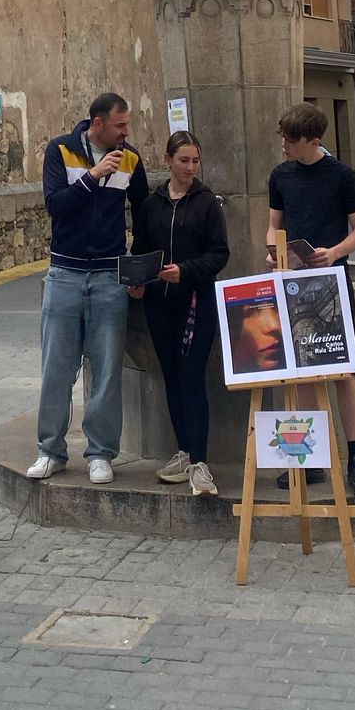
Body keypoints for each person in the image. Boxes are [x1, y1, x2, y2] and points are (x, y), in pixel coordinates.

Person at [28, 91, 147, 486]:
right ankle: (50, 450)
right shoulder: (60, 151)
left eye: (127, 125)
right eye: (120, 125)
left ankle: (100, 453)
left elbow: (143, 215)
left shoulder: (130, 159)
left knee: (108, 369)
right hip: (65, 273)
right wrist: (93, 177)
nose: (125, 133)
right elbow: (55, 205)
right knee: (56, 368)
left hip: (110, 276)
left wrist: (138, 269)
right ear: (98, 123)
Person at [265, 103, 355, 496]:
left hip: (332, 279)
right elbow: (274, 225)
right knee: (303, 372)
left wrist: (334, 253)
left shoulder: (341, 176)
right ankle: (308, 460)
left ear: (313, 140)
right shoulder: (281, 175)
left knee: (344, 372)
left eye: (291, 139)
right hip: (295, 281)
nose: (284, 145)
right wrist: (273, 253)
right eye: (283, 137)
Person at [129, 131, 229, 497]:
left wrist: (185, 271)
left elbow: (219, 254)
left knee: (191, 375)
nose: (190, 167)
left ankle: (201, 463)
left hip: (195, 301)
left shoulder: (207, 204)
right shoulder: (151, 203)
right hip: (159, 302)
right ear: (168, 160)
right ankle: (184, 452)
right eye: (183, 160)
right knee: (170, 375)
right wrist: (138, 281)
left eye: (195, 161)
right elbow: (141, 249)